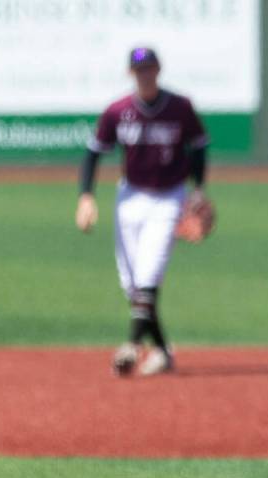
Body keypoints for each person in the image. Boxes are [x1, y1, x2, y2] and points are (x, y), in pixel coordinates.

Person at [75, 47, 210, 376]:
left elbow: (200, 145)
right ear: (130, 74)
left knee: (149, 275)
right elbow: (93, 153)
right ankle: (162, 351)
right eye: (139, 70)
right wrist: (86, 197)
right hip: (130, 197)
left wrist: (198, 189)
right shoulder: (118, 111)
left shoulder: (180, 107)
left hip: (169, 198)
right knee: (132, 284)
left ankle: (132, 346)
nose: (145, 74)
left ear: (159, 70)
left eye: (149, 68)